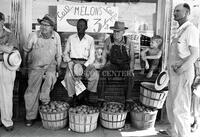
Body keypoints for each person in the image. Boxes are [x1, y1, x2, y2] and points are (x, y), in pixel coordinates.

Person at [165, 3, 199, 137]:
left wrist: (182, 68)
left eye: (178, 11)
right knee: (171, 104)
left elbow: (195, 54)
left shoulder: (191, 30)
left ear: (187, 13)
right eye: (174, 11)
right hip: (174, 74)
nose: (175, 13)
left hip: (183, 73)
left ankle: (183, 134)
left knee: (181, 107)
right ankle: (174, 131)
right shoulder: (179, 30)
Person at [23, 14, 62, 127]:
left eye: (47, 25)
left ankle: (44, 104)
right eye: (42, 24)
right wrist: (25, 67)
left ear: (52, 27)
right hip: (35, 67)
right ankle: (30, 116)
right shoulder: (33, 36)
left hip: (50, 66)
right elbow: (26, 51)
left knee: (50, 77)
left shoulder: (56, 36)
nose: (44, 27)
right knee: (31, 91)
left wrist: (58, 69)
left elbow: (58, 55)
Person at [63, 18, 99, 106]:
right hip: (73, 62)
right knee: (68, 76)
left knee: (95, 75)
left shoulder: (90, 39)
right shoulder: (71, 38)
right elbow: (65, 53)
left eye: (82, 25)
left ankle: (87, 94)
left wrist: (85, 66)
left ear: (86, 27)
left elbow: (92, 57)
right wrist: (70, 62)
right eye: (78, 25)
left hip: (85, 63)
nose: (79, 27)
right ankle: (73, 97)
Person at [97, 21, 135, 105]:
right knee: (103, 73)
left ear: (123, 32)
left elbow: (132, 57)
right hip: (112, 65)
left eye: (118, 31)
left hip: (125, 66)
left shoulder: (128, 41)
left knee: (129, 76)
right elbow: (104, 55)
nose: (115, 33)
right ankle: (101, 99)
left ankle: (128, 100)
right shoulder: (108, 40)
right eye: (114, 31)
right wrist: (103, 65)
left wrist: (131, 69)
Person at [0, 12, 20, 131]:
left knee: (6, 94)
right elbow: (6, 49)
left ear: (2, 22)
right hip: (4, 60)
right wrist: (3, 48)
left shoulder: (9, 34)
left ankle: (7, 121)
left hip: (6, 66)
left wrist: (5, 49)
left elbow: (9, 49)